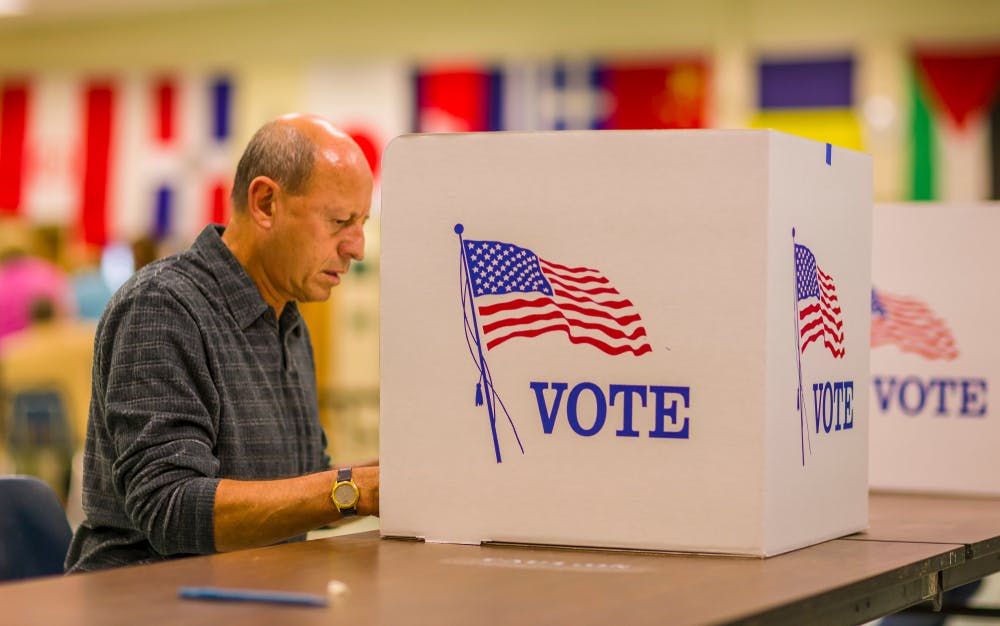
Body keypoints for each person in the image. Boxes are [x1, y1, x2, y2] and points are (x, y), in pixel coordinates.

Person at [65, 114, 379, 573]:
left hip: (251, 592)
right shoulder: (161, 307)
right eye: (339, 221)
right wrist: (355, 491)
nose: (358, 246)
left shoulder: (288, 323)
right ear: (266, 203)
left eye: (362, 222)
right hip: (146, 601)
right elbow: (169, 507)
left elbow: (305, 486)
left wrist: (386, 480)